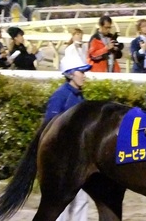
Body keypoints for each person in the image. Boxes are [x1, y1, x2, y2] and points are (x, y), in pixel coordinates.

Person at [45, 53, 92, 221]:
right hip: (63, 160)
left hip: (79, 159)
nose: (84, 76)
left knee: (81, 200)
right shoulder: (60, 95)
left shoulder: (80, 95)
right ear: (71, 73)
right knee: (63, 203)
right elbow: (50, 127)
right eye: (82, 72)